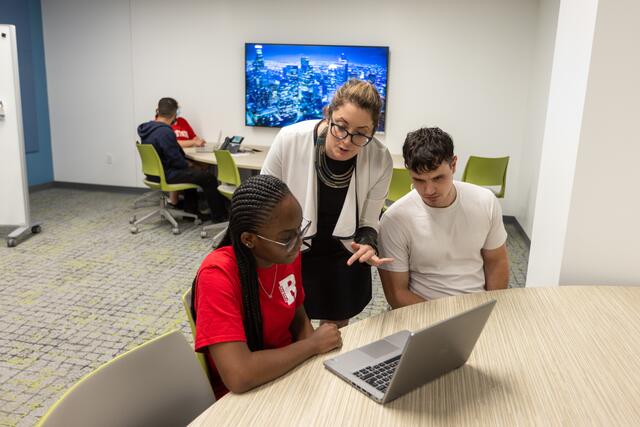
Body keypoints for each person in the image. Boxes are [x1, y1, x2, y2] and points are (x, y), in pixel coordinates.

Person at [192, 175, 342, 399]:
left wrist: (315, 363)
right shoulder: (217, 275)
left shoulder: (286, 256)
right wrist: (312, 346)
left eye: (300, 229)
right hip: (245, 395)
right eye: (287, 238)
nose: (299, 243)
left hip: (288, 372)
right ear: (249, 239)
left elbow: (298, 316)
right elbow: (240, 375)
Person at [261, 79, 393, 328]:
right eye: (340, 127)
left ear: (373, 132)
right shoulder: (290, 139)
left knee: (333, 335)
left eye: (361, 134)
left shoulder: (379, 158)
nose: (346, 141)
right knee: (291, 330)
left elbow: (368, 221)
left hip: (342, 255)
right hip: (290, 249)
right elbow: (263, 204)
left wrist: (367, 244)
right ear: (328, 115)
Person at [377, 127, 509, 308]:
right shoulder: (395, 219)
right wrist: (448, 319)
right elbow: (397, 294)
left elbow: (496, 262)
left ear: (453, 164)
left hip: (478, 307)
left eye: (438, 178)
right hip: (423, 311)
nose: (429, 190)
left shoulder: (485, 201)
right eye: (419, 180)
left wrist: (492, 308)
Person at [137, 97, 227, 222]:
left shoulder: (147, 129)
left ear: (158, 111)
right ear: (174, 114)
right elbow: (176, 161)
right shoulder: (165, 132)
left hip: (153, 174)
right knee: (208, 178)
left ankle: (190, 211)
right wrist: (191, 165)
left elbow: (171, 156)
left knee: (193, 173)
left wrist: (190, 165)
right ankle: (220, 217)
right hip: (166, 174)